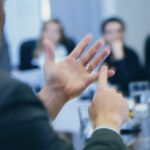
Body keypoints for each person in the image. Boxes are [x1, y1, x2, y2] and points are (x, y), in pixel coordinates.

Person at [0, 1, 129, 150]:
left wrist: (55, 93)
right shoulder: (8, 92)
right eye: (4, 6)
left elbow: (16, 138)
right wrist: (108, 123)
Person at [102, 17, 142, 95]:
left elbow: (129, 84)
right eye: (110, 32)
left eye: (118, 31)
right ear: (104, 36)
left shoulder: (131, 54)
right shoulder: (106, 56)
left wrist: (120, 58)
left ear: (123, 33)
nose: (115, 36)